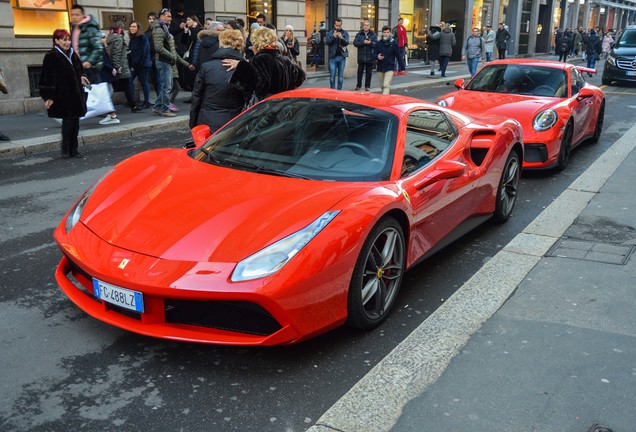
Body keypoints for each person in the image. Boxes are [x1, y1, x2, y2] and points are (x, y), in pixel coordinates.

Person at [189, 29, 255, 133]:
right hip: (235, 122)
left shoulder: (207, 67)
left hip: (208, 121)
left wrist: (193, 122)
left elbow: (196, 97)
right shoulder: (245, 68)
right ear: (240, 45)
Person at [39, 29, 90, 158]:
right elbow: (47, 77)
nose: (67, 43)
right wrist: (48, 96)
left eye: (68, 39)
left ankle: (74, 148)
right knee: (68, 123)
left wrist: (82, 77)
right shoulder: (51, 56)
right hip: (62, 95)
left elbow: (80, 69)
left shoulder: (72, 54)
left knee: (76, 123)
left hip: (76, 94)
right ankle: (65, 149)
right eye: (64, 40)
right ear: (56, 41)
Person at [227, 26, 306, 101]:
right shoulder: (285, 60)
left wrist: (242, 66)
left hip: (267, 107)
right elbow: (300, 76)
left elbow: (257, 85)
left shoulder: (261, 59)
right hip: (283, 106)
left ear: (256, 43)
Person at [152, 7, 194, 117]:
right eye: (168, 16)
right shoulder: (159, 29)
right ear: (161, 17)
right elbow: (159, 48)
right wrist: (172, 57)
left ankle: (157, 107)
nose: (170, 19)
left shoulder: (164, 28)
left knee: (164, 87)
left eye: (170, 16)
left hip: (166, 61)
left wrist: (183, 62)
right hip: (164, 61)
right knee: (167, 87)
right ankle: (165, 109)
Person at [106, 21, 140, 114]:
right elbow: (117, 54)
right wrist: (118, 67)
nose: (124, 29)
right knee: (128, 86)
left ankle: (132, 105)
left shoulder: (109, 37)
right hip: (121, 66)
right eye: (123, 27)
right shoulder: (119, 38)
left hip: (115, 66)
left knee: (114, 88)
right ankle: (133, 106)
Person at [69, 4, 103, 85]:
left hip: (90, 69)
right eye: (72, 15)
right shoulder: (75, 28)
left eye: (77, 15)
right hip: (79, 67)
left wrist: (89, 62)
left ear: (83, 15)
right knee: (84, 93)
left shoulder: (90, 27)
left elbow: (98, 47)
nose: (74, 17)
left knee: (93, 92)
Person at [128, 20, 152, 109]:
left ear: (138, 28)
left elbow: (142, 53)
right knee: (129, 81)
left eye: (134, 26)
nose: (132, 28)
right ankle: (132, 101)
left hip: (143, 65)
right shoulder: (133, 38)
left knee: (143, 82)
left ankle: (147, 101)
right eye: (131, 26)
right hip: (135, 65)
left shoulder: (142, 38)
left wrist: (134, 66)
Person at [181, 14, 203, 97]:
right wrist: (185, 32)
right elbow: (183, 41)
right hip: (189, 55)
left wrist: (193, 29)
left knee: (194, 77)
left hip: (195, 55)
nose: (187, 22)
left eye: (189, 20)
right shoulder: (189, 30)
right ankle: (192, 96)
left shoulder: (199, 30)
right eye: (187, 20)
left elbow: (195, 40)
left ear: (195, 21)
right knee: (189, 77)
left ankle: (196, 96)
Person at [326, 18, 349, 90]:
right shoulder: (330, 33)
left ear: (341, 25)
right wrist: (334, 36)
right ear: (334, 25)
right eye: (337, 25)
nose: (338, 27)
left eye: (339, 25)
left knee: (340, 76)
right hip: (333, 58)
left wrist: (341, 38)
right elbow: (327, 42)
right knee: (332, 76)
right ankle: (332, 91)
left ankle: (339, 92)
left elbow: (347, 43)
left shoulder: (345, 33)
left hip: (342, 57)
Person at [353, 20, 376, 91]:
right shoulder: (359, 34)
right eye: (365, 25)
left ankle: (367, 86)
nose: (366, 26)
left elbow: (376, 44)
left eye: (367, 25)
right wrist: (363, 42)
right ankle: (358, 85)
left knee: (369, 73)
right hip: (361, 56)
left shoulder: (373, 34)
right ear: (363, 26)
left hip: (370, 56)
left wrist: (370, 43)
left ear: (369, 27)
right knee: (360, 72)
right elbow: (355, 43)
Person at [375, 25, 398, 94]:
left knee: (386, 85)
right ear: (382, 33)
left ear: (390, 33)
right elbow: (374, 54)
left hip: (390, 66)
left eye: (388, 32)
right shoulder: (379, 43)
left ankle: (384, 102)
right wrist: (377, 56)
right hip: (380, 67)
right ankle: (388, 96)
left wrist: (402, 67)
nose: (386, 34)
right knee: (383, 86)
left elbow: (398, 55)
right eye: (384, 32)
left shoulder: (394, 43)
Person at [145, 12, 160, 100]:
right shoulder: (147, 32)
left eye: (153, 19)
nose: (151, 21)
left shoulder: (158, 30)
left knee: (159, 80)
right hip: (150, 58)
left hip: (157, 57)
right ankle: (159, 98)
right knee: (154, 81)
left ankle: (162, 100)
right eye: (150, 19)